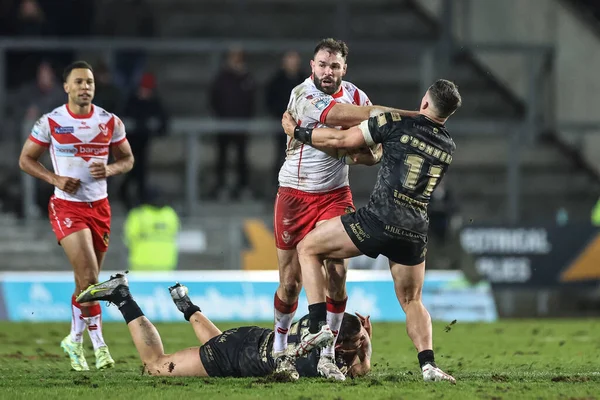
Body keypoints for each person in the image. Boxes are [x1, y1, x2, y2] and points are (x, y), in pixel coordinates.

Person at [280, 79, 462, 384]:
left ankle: (318, 325)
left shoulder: (395, 123)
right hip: (415, 229)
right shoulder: (448, 147)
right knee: (412, 301)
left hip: (378, 220)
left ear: (425, 102)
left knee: (308, 248)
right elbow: (375, 155)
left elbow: (343, 143)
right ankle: (428, 365)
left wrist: (297, 132)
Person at [272, 37, 418, 381]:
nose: (327, 71)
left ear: (344, 69)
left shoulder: (356, 94)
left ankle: (326, 354)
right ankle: (280, 352)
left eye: (334, 66)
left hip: (335, 195)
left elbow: (376, 152)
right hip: (294, 194)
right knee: (289, 284)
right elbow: (344, 117)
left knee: (337, 272)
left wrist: (353, 151)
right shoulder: (302, 95)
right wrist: (410, 115)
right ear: (312, 66)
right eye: (322, 65)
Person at [18, 60, 134, 371]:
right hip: (67, 207)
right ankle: (100, 346)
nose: (85, 87)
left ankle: (73, 339)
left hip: (100, 207)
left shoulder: (110, 122)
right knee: (91, 279)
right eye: (79, 82)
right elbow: (26, 160)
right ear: (67, 87)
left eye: (90, 83)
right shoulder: (50, 122)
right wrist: (55, 179)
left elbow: (128, 159)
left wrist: (108, 169)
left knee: (84, 283)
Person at [75, 273, 373, 379]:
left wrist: (359, 334)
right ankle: (122, 295)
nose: (359, 345)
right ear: (335, 343)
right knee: (155, 365)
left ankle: (186, 306)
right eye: (357, 341)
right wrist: (365, 349)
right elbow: (360, 370)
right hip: (233, 356)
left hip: (249, 337)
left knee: (218, 343)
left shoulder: (316, 323)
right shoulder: (320, 362)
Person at [265, 50, 306, 187]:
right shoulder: (276, 81)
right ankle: (278, 188)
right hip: (282, 126)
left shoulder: (305, 81)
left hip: (303, 127)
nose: (292, 63)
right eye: (289, 60)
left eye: (294, 60)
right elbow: (270, 101)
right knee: (281, 157)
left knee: (303, 159)